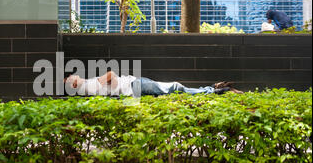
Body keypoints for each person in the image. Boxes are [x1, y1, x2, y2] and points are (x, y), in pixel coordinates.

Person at [64, 71, 243, 97]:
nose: (73, 75)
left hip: (134, 84)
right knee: (175, 87)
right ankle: (216, 91)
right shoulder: (86, 86)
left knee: (175, 89)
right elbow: (111, 74)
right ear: (73, 84)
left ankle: (212, 90)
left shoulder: (87, 85)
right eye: (70, 78)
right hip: (133, 86)